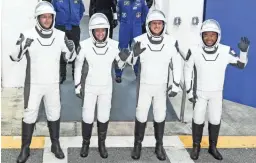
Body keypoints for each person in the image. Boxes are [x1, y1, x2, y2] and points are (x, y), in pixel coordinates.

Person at [9, 1, 76, 163]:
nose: (47, 20)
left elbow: (69, 58)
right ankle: (25, 148)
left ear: (53, 18)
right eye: (43, 17)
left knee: (54, 113)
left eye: (49, 17)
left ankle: (55, 144)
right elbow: (14, 57)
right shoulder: (28, 34)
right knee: (29, 115)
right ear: (37, 18)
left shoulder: (60, 35)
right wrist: (21, 46)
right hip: (33, 84)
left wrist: (72, 49)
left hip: (52, 84)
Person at [184, 19, 250, 161]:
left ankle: (213, 147)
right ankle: (196, 146)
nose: (209, 38)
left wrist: (243, 52)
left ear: (218, 36)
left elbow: (241, 65)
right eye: (206, 35)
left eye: (212, 35)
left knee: (215, 119)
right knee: (198, 119)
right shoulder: (194, 51)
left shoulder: (225, 50)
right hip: (200, 93)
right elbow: (187, 70)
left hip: (216, 93)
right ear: (201, 35)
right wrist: (189, 91)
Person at [74, 13, 130, 159]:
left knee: (104, 115)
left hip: (106, 88)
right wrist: (77, 85)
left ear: (107, 30)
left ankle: (101, 144)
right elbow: (78, 66)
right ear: (92, 31)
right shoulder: (84, 45)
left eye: (103, 30)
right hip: (90, 87)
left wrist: (125, 58)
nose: (100, 33)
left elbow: (119, 63)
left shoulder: (113, 45)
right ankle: (85, 143)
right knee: (87, 115)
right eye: (97, 30)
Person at [129, 10, 182, 161]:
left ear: (163, 25)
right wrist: (134, 54)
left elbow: (176, 64)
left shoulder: (171, 42)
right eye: (154, 23)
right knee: (141, 114)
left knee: (160, 115)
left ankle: (159, 145)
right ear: (148, 25)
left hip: (161, 86)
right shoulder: (139, 40)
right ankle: (137, 145)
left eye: (159, 24)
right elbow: (131, 63)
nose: (157, 26)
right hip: (145, 85)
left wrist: (176, 84)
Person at [114, 0, 149, 83]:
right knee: (122, 51)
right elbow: (119, 13)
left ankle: (137, 73)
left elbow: (145, 13)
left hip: (136, 28)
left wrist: (139, 23)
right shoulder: (121, 1)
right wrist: (124, 22)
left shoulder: (142, 1)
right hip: (124, 27)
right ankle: (118, 74)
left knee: (137, 52)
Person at [51, 0, 85, 83]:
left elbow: (81, 10)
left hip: (74, 28)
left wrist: (76, 20)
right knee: (61, 51)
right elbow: (52, 13)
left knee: (76, 50)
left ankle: (75, 74)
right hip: (61, 27)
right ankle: (62, 75)